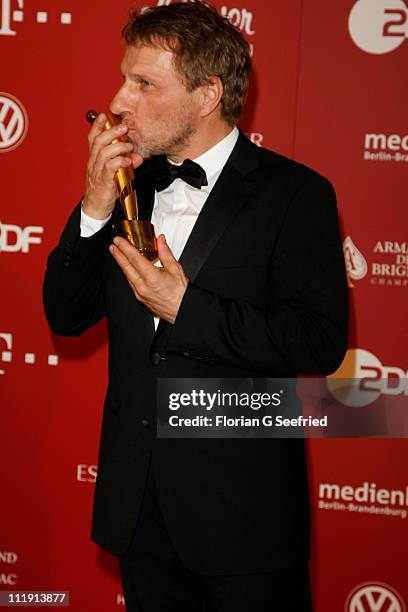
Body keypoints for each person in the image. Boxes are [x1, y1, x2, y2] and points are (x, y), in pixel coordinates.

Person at [43, 2, 348, 610]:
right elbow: (64, 315)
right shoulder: (131, 182)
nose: (119, 101)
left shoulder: (296, 194)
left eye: (144, 84)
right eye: (124, 78)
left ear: (207, 94)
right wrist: (95, 207)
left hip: (245, 523)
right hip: (139, 508)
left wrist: (188, 307)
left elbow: (318, 341)